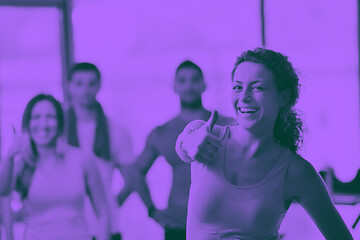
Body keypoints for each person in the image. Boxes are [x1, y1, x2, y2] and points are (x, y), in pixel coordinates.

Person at [175, 48, 354, 240]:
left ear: (283, 98)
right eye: (237, 87)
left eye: (257, 87)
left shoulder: (296, 171)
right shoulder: (206, 135)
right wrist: (188, 142)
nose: (244, 97)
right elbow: (184, 144)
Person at [118, 60, 234, 240]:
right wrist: (152, 210)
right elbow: (136, 173)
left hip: (221, 223)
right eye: (183, 81)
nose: (189, 86)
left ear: (204, 85)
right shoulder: (162, 133)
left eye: (195, 80)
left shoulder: (225, 125)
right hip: (178, 224)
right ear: (174, 86)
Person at [0, 94, 110, 240]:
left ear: (60, 122)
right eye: (37, 117)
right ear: (28, 123)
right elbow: (3, 191)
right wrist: (10, 155)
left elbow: (103, 212)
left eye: (50, 117)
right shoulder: (22, 163)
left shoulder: (82, 159)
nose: (44, 124)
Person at [66, 62, 134, 240]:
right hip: (67, 227)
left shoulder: (116, 130)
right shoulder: (57, 131)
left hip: (106, 227)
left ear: (99, 86)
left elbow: (131, 180)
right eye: (79, 83)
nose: (85, 90)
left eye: (91, 84)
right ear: (69, 86)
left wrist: (111, 203)